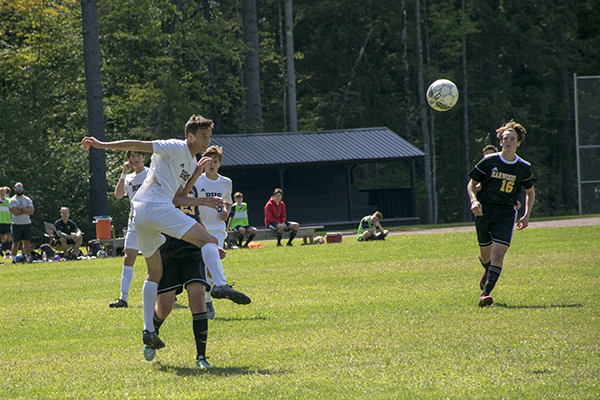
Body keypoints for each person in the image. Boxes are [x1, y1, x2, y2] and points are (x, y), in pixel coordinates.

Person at [82, 115, 228, 351]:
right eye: (202, 136)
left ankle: (148, 330)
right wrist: (101, 145)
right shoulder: (176, 146)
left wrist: (204, 198)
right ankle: (220, 285)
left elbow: (179, 198)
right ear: (189, 136)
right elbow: (137, 144)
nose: (206, 141)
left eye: (209, 136)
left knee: (154, 272)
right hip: (156, 208)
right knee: (209, 240)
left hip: (141, 215)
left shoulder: (191, 163)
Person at [144, 183, 221, 368]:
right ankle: (152, 334)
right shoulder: (162, 182)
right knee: (165, 306)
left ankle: (201, 358)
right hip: (167, 250)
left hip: (192, 250)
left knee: (198, 299)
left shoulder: (192, 186)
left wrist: (210, 243)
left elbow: (196, 218)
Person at [467, 120, 536, 307]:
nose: (508, 141)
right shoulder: (489, 161)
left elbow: (530, 192)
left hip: (506, 213)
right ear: (500, 142)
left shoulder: (523, 167)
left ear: (518, 142)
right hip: (485, 211)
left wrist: (526, 214)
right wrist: (474, 200)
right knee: (485, 257)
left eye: (512, 139)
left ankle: (485, 294)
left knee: (498, 256)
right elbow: (472, 183)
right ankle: (487, 272)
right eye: (505, 138)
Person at [191, 145, 251, 307]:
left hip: (217, 229)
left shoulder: (226, 182)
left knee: (212, 262)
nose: (212, 164)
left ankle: (210, 296)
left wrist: (225, 211)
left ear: (220, 164)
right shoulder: (196, 181)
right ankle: (208, 299)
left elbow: (228, 203)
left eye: (216, 162)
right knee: (203, 264)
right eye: (209, 161)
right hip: (200, 229)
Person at [110, 150, 149, 308]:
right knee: (128, 258)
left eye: (138, 155)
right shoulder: (129, 177)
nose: (135, 159)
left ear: (144, 157)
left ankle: (166, 290)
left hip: (151, 223)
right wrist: (124, 173)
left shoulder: (151, 174)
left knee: (155, 259)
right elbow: (118, 195)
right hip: (134, 224)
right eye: (132, 156)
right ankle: (123, 298)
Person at [9, 182, 34, 264]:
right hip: (16, 224)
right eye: (17, 188)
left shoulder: (27, 199)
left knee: (26, 242)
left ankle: (27, 258)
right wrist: (25, 210)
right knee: (16, 242)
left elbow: (31, 211)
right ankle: (13, 259)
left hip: (26, 223)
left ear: (23, 189)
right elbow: (15, 212)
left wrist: (21, 209)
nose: (19, 190)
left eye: (20, 188)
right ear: (15, 189)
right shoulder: (12, 200)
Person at [0, 187, 12, 257]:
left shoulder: (9, 201)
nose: (2, 193)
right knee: (2, 237)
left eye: (3, 191)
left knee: (9, 236)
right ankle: (6, 252)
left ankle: (10, 249)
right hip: (0, 222)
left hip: (7, 221)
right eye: (0, 191)